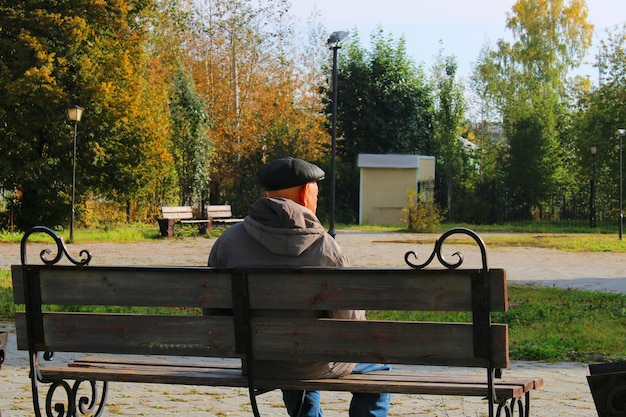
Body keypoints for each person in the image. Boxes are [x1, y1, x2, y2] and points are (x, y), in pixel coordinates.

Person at [208, 157, 390, 417]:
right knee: (377, 366)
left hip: (259, 362)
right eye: (316, 192)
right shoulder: (326, 247)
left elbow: (215, 316)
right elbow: (351, 326)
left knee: (290, 352)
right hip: (311, 362)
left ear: (266, 196)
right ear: (305, 193)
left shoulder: (228, 242)